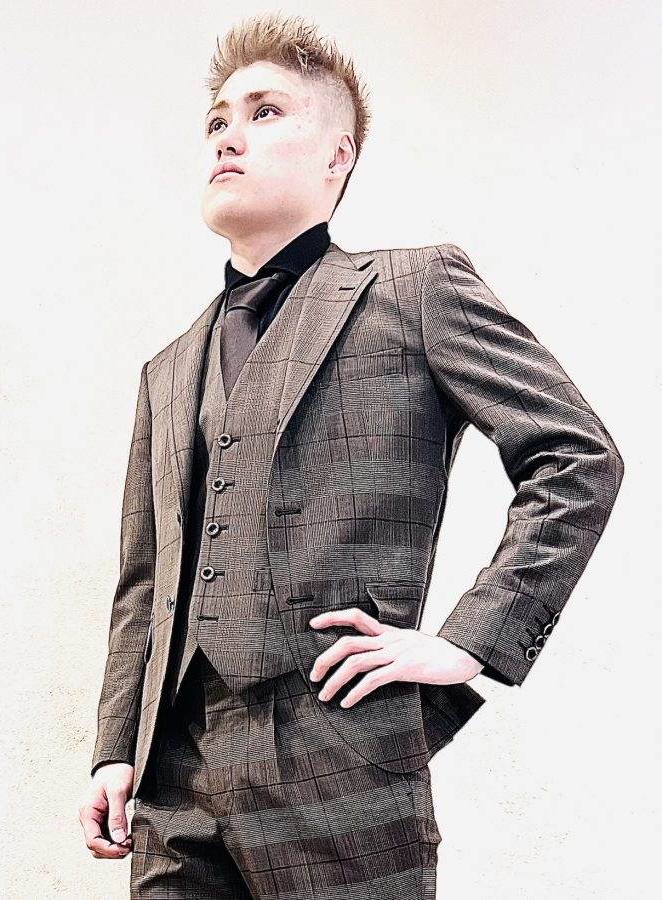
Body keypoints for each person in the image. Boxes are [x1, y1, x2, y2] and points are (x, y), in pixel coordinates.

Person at [77, 12, 624, 899]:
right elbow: (145, 580)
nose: (227, 136)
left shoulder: (415, 288)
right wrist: (115, 747)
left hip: (341, 767)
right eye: (217, 120)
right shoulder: (167, 370)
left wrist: (470, 644)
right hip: (173, 783)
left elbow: (576, 456)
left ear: (338, 155)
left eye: (264, 112)